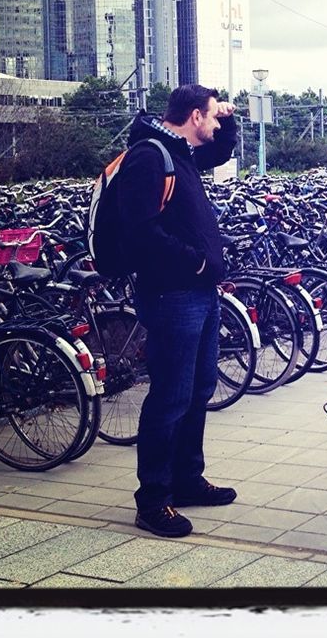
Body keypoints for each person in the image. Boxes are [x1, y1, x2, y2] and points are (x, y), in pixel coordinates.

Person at [115, 84, 239, 538]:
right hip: (172, 293)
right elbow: (140, 231)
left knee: (199, 388)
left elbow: (220, 153)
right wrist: (197, 261)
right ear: (192, 116)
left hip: (200, 293)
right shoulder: (149, 157)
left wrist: (228, 118)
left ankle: (187, 479)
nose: (214, 123)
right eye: (210, 116)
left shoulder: (180, 152)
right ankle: (153, 500)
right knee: (170, 396)